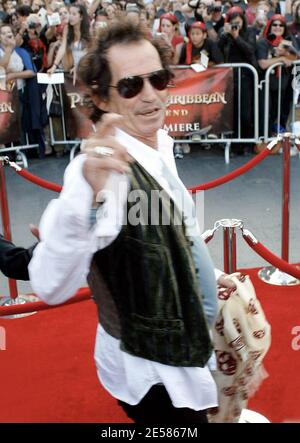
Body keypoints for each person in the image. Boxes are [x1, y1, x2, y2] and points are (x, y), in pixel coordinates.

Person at [29, 20, 233, 424]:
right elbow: (50, 284)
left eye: (158, 79)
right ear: (101, 98)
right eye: (130, 86)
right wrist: (86, 199)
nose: (151, 95)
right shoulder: (99, 171)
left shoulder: (160, 144)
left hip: (185, 353)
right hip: (152, 376)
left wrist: (208, 273)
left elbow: (174, 233)